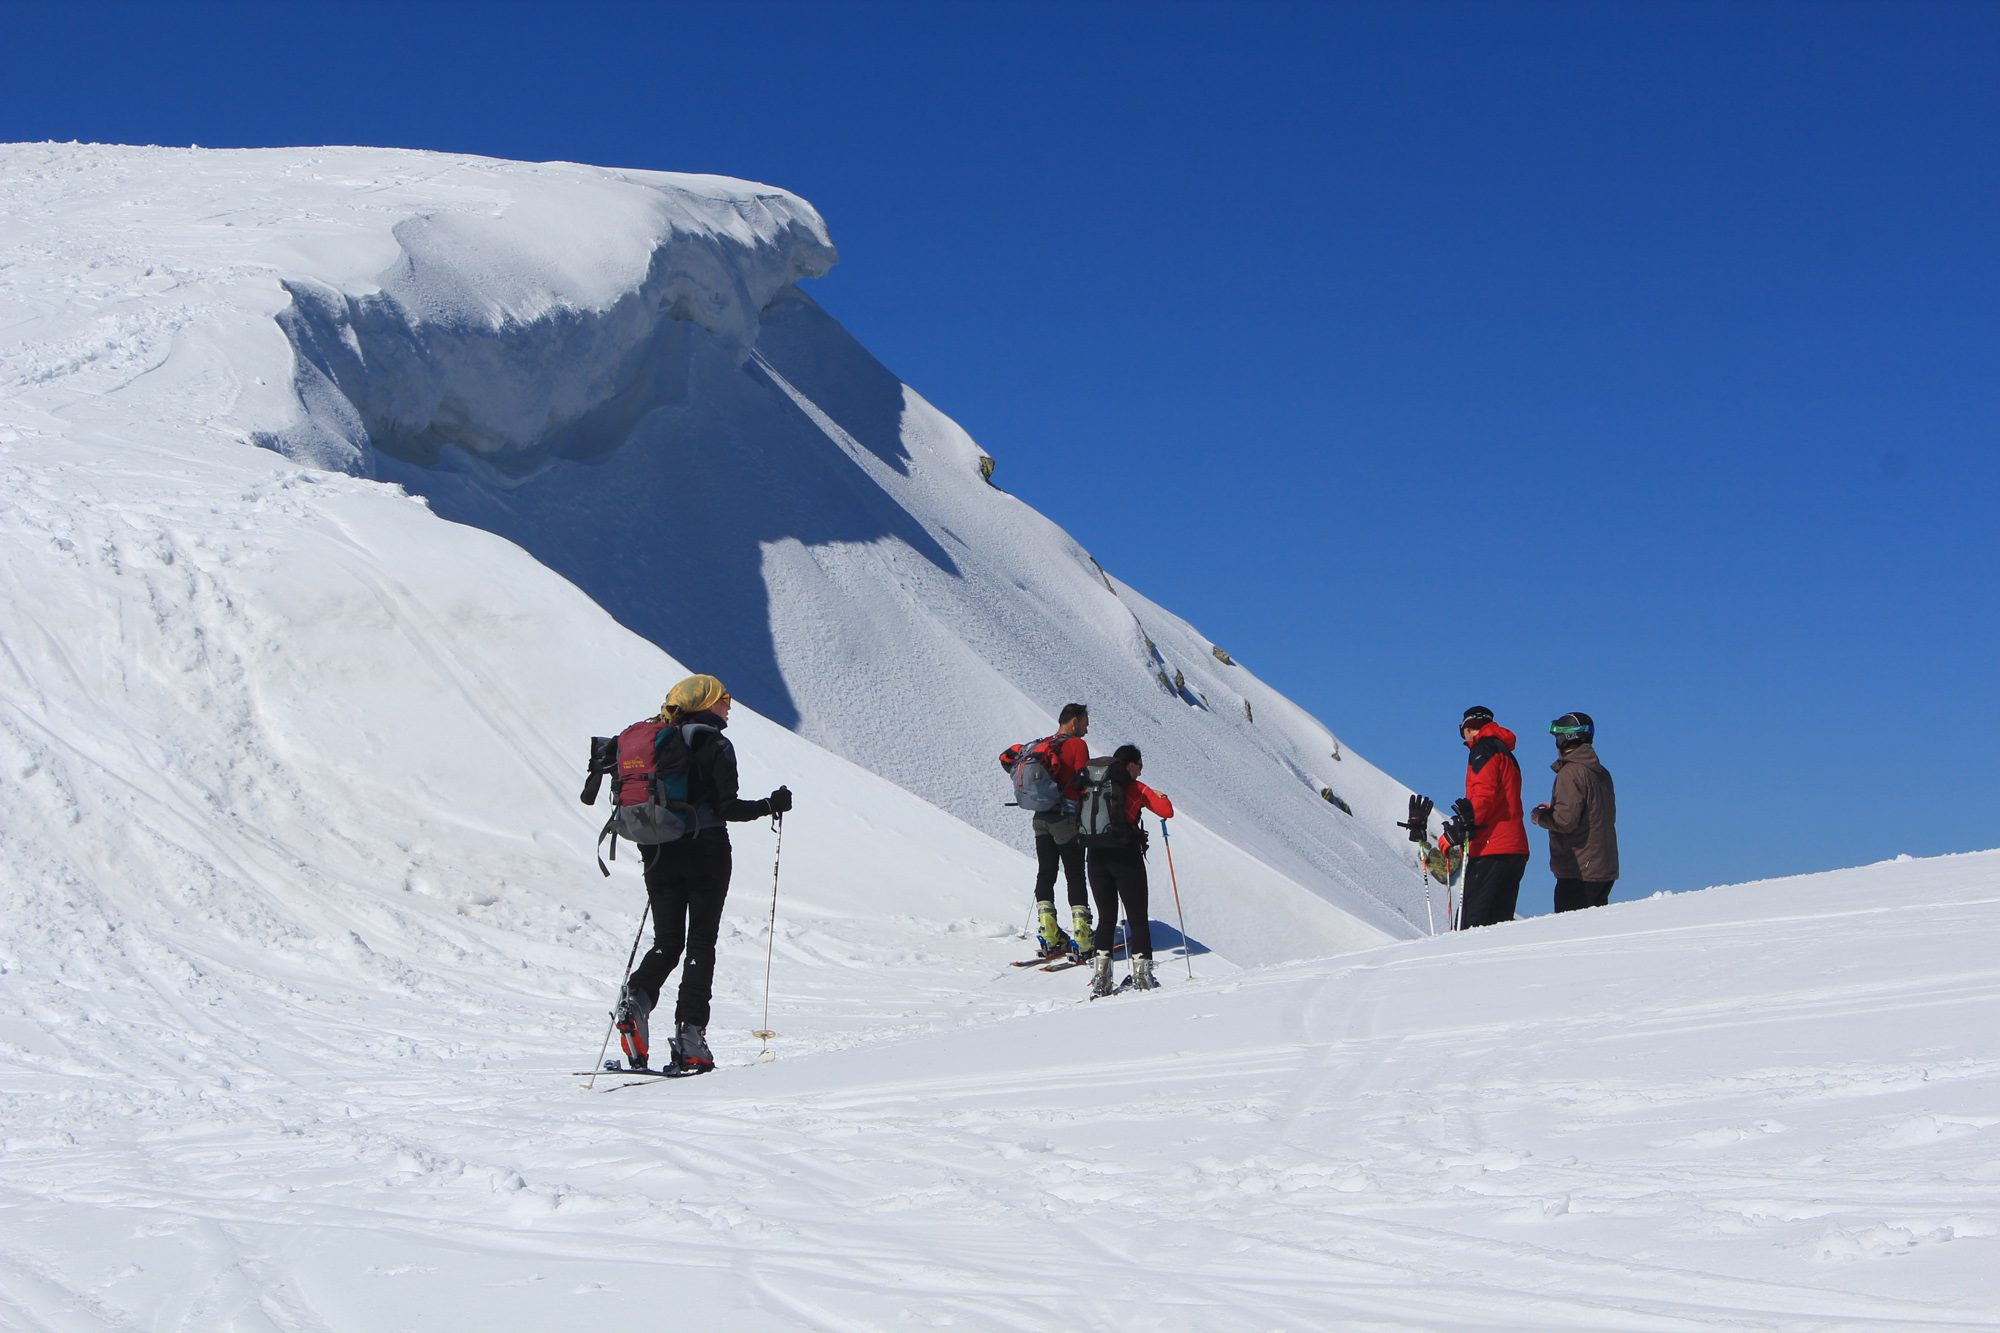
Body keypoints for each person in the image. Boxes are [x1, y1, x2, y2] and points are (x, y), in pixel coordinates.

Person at [614, 674, 791, 1072]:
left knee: (667, 941)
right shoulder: (714, 744)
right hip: (705, 851)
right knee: (700, 945)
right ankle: (690, 1038)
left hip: (657, 848)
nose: (730, 704)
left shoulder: (658, 739)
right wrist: (771, 804)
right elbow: (727, 808)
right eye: (724, 697)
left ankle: (636, 1001)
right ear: (706, 702)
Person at [1085, 744, 1174, 996]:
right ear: (1131, 764)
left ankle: (1101, 978)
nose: (1141, 771)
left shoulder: (1094, 786)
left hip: (1095, 857)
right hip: (1126, 859)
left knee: (1106, 918)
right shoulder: (1136, 788)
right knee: (1137, 919)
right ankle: (1143, 976)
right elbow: (1167, 811)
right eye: (1140, 765)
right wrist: (1159, 795)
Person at [1445, 705, 1529, 929]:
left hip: (1491, 847)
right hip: (1515, 848)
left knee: (1471, 927)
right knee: (1498, 927)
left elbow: (1483, 797)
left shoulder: (1483, 749)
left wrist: (1457, 831)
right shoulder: (1506, 753)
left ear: (1468, 728)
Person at [1530, 711, 1619, 911]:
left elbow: (1565, 821)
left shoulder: (1570, 772)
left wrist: (1541, 817)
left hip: (1578, 869)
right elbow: (1592, 813)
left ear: (1565, 738)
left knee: (1572, 932)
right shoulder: (1601, 772)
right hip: (1602, 866)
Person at [1028, 703, 1096, 958]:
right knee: (1075, 875)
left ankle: (1049, 933)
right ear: (1075, 720)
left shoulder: (1044, 743)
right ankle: (1083, 937)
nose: (1087, 729)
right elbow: (1085, 781)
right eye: (1086, 722)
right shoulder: (1077, 746)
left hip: (1040, 817)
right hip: (1065, 819)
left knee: (1046, 872)